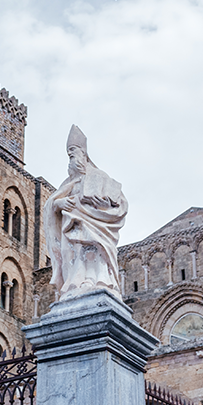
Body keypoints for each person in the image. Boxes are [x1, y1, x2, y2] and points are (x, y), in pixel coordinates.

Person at [44, 125, 128, 301]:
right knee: (75, 254)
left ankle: (98, 281)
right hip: (73, 227)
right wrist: (60, 202)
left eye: (73, 152)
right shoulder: (68, 182)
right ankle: (75, 283)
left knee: (94, 249)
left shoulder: (99, 176)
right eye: (69, 155)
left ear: (83, 154)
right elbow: (51, 204)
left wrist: (105, 205)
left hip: (96, 224)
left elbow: (120, 202)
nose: (71, 157)